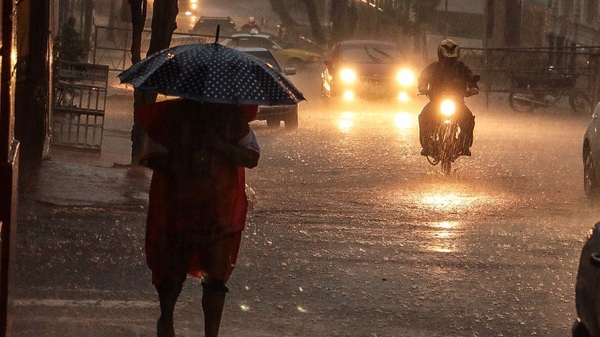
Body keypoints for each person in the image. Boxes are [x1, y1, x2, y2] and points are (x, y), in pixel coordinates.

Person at [137, 99, 260, 337]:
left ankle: (210, 333)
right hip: (178, 209)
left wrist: (217, 145)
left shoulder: (232, 119)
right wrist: (184, 158)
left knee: (215, 277)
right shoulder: (171, 116)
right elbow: (152, 155)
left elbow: (251, 157)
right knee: (171, 273)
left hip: (219, 211)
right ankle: (167, 321)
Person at [417, 38, 479, 157]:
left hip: (457, 102)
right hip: (436, 102)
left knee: (468, 118)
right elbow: (422, 78)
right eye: (447, 58)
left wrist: (473, 87)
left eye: (452, 58)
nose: (449, 61)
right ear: (441, 55)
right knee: (424, 117)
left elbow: (470, 77)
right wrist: (423, 87)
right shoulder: (433, 67)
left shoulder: (462, 67)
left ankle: (464, 144)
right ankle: (426, 144)